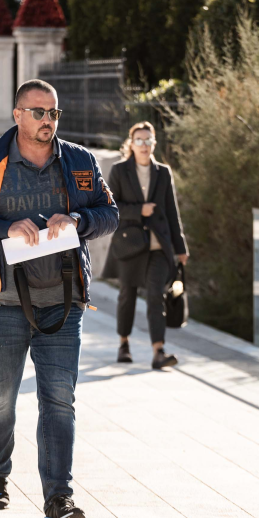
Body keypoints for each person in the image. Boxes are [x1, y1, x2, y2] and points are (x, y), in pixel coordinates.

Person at [0, 79, 118, 518]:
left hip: (63, 301)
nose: (47, 121)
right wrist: (2, 227)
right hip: (1, 301)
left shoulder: (79, 161)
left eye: (54, 113)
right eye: (38, 112)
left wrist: (78, 218)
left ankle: (59, 498)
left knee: (60, 400)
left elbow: (110, 213)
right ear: (17, 114)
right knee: (0, 398)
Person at [102, 122, 188, 369]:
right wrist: (139, 210)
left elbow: (172, 212)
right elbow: (112, 207)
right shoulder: (119, 171)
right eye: (139, 140)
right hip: (130, 246)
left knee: (155, 296)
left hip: (158, 246)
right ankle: (123, 344)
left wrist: (180, 248)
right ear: (132, 143)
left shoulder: (163, 172)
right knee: (127, 295)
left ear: (153, 143)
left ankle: (158, 351)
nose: (144, 145)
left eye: (148, 140)